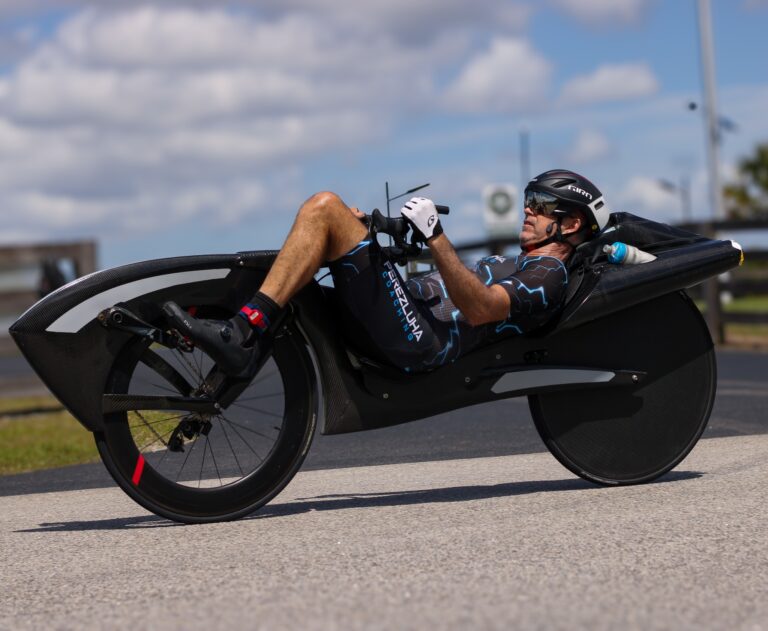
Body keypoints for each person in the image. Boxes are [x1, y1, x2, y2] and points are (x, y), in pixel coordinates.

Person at [163, 169, 610, 377]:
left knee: (325, 208)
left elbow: (481, 309)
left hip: (424, 341)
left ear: (572, 224)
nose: (529, 210)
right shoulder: (528, 260)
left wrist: (436, 237)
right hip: (412, 315)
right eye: (530, 199)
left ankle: (243, 330)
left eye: (544, 206)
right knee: (335, 222)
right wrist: (370, 232)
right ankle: (238, 323)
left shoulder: (549, 274)